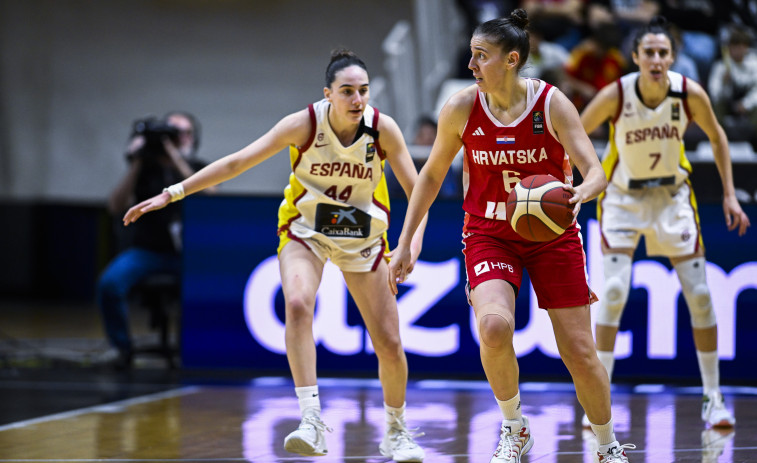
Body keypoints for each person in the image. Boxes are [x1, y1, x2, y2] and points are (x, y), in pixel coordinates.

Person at [122, 49, 428, 462]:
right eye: (348, 91)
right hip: (306, 231)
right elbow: (236, 163)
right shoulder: (302, 124)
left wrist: (411, 244)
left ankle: (395, 430)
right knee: (298, 304)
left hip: (363, 238)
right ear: (328, 94)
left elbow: (419, 193)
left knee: (389, 344)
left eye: (364, 91)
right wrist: (171, 193)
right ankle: (310, 420)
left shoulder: (382, 129)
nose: (358, 100)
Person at [387, 9, 634, 463]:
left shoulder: (552, 103)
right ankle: (515, 427)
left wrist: (579, 192)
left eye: (481, 56)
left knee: (579, 350)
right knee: (495, 327)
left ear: (511, 59)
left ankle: (606, 445)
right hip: (489, 232)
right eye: (471, 55)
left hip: (553, 234)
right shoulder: (462, 107)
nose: (471, 65)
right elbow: (430, 176)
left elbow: (596, 170)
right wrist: (405, 242)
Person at [580, 16, 751, 430]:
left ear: (672, 56)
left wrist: (729, 193)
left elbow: (718, 137)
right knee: (615, 291)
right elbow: (574, 134)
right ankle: (598, 399)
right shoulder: (615, 95)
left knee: (701, 296)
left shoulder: (688, 92)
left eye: (663, 52)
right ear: (636, 57)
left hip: (672, 198)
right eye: (649, 52)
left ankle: (713, 398)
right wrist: (580, 182)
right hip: (622, 197)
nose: (656, 59)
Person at [97, 111, 208, 369]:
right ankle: (120, 348)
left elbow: (210, 197)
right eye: (172, 132)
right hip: (148, 252)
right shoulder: (144, 170)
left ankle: (194, 349)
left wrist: (175, 157)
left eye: (183, 133)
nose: (177, 138)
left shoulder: (200, 169)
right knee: (110, 283)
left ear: (193, 137)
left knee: (209, 287)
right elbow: (115, 206)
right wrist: (136, 161)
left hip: (190, 256)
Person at [708, 24, 757, 145]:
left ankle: (754, 144)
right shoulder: (721, 66)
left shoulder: (754, 64)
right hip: (728, 103)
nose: (738, 50)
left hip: (747, 104)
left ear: (746, 48)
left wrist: (746, 104)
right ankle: (719, 143)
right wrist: (724, 84)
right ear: (729, 48)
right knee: (714, 109)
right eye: (735, 46)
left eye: (742, 46)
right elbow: (715, 95)